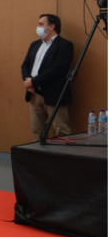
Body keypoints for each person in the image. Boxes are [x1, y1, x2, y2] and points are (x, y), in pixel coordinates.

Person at [21, 14, 74, 142]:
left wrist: (33, 81)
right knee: (37, 131)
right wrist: (28, 81)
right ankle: (39, 160)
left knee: (62, 131)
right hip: (34, 94)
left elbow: (57, 69)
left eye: (41, 24)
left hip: (54, 94)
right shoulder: (34, 45)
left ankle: (62, 161)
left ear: (52, 27)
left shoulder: (64, 45)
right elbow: (25, 65)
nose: (37, 27)